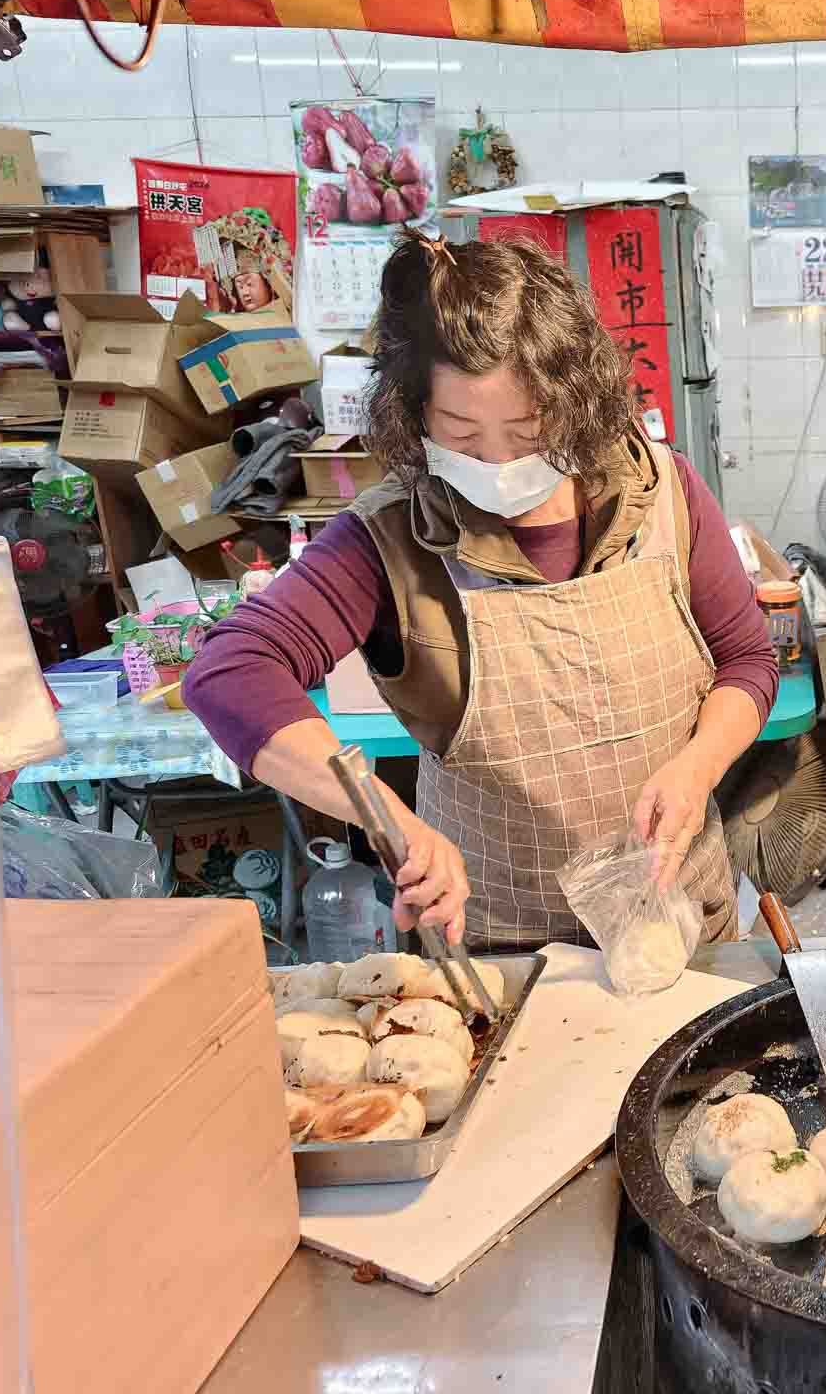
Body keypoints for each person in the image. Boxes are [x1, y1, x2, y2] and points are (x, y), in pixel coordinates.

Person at [184, 230, 777, 952]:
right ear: (414, 416)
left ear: (579, 402)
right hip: (505, 954)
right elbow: (229, 672)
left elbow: (748, 660)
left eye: (530, 434)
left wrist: (697, 766)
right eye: (462, 438)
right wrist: (386, 819)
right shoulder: (386, 541)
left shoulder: (662, 494)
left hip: (683, 927)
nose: (499, 466)